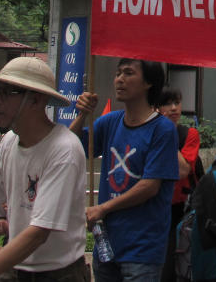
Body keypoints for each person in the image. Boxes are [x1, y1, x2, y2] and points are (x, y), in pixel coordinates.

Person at [0, 56, 88, 281]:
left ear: (36, 100)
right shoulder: (9, 142)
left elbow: (38, 234)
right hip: (15, 268)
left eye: (7, 92)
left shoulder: (64, 150)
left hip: (58, 275)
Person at [70, 59, 180, 282]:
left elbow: (150, 186)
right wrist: (82, 114)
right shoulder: (110, 122)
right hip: (107, 245)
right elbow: (70, 148)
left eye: (128, 73)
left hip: (142, 250)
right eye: (118, 73)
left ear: (148, 83)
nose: (119, 79)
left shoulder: (163, 129)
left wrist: (103, 208)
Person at [157, 87, 200, 282]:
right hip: (153, 204)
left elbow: (183, 169)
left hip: (180, 209)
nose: (174, 108)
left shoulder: (189, 134)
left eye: (177, 103)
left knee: (175, 262)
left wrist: (166, 133)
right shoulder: (149, 131)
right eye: (167, 103)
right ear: (156, 108)